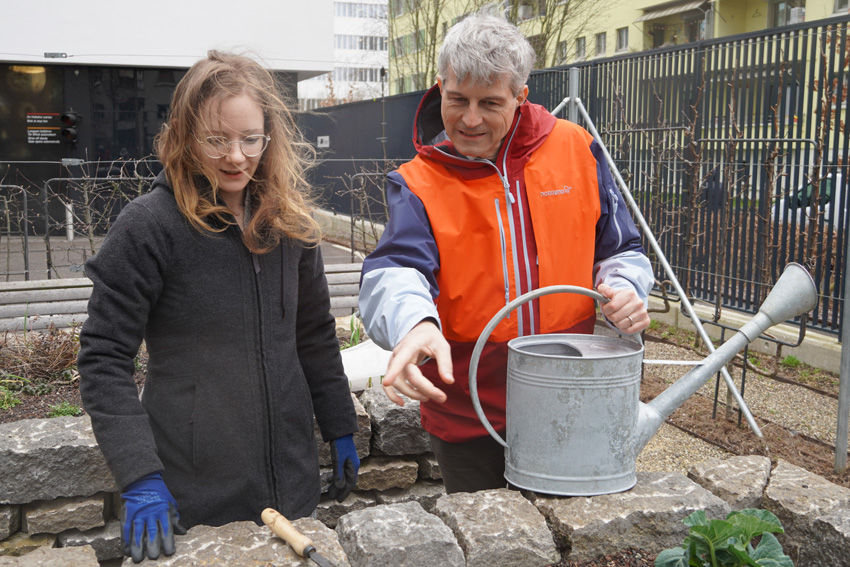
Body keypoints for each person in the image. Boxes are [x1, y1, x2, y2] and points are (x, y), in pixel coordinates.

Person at [78, 51, 360, 563]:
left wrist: (340, 424)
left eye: (250, 139)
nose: (235, 156)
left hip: (292, 483)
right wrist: (140, 475)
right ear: (186, 137)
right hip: (194, 490)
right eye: (216, 140)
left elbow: (314, 334)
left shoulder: (290, 222)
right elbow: (103, 358)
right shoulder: (148, 227)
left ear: (269, 136)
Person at [358, 14, 654, 494]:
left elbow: (621, 249)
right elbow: (396, 269)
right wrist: (414, 323)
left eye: (490, 103)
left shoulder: (577, 149)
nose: (470, 119)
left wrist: (623, 289)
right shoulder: (418, 181)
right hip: (467, 415)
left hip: (570, 401)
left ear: (520, 95)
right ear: (440, 87)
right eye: (458, 99)